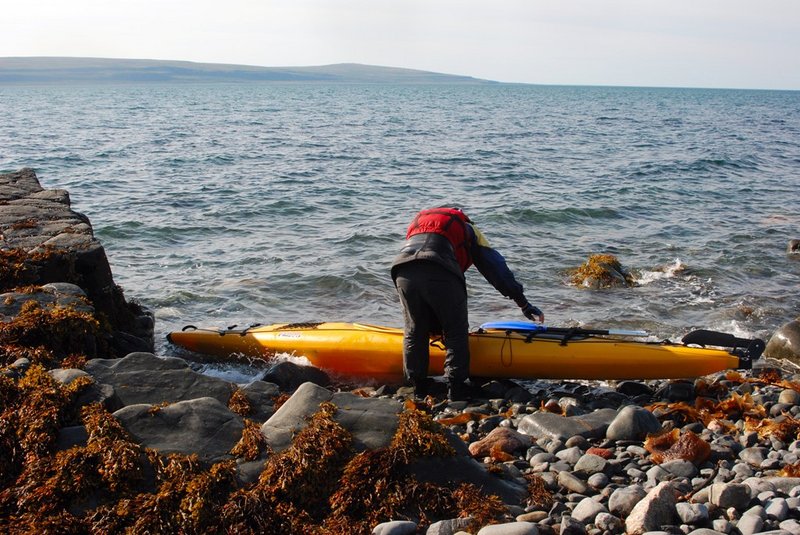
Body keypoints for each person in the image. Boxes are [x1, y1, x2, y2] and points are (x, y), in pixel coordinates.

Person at [391, 207, 544, 401]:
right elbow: (495, 268)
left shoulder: (419, 223)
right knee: (455, 330)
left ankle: (418, 386)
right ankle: (456, 388)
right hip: (440, 269)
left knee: (415, 330)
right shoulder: (468, 229)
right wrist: (523, 303)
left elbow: (421, 268)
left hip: (402, 270)